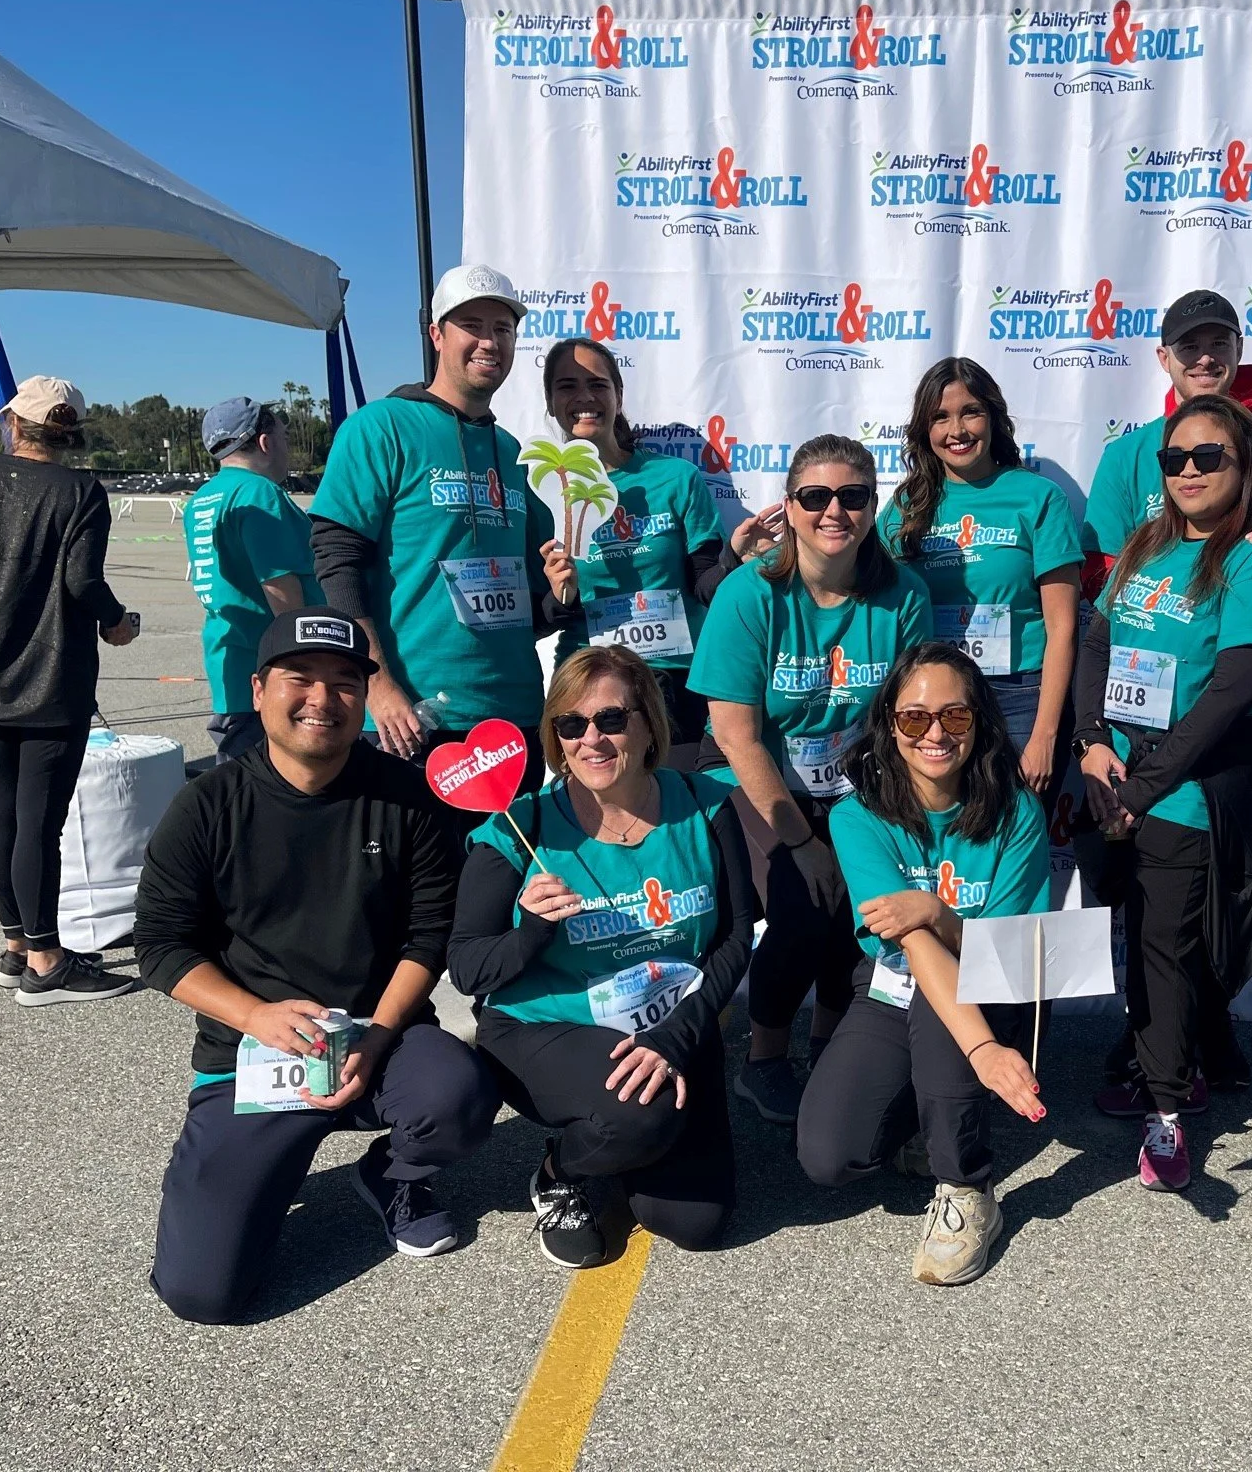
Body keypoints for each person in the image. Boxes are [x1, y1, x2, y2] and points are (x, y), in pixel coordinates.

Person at [135, 609, 498, 1324]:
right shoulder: (207, 804)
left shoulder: (407, 796)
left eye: (344, 683)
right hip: (254, 1050)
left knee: (456, 1097)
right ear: (259, 688)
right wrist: (254, 1016)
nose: (322, 700)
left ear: (365, 696)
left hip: (378, 1036)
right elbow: (161, 946)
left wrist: (380, 1033)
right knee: (203, 1294)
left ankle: (392, 1173)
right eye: (299, 679)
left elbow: (428, 937)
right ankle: (248, 1172)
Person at [448, 646, 751, 1268]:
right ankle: (563, 1170)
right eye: (571, 724)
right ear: (555, 738)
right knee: (638, 1119)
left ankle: (631, 1133)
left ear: (647, 725)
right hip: (550, 1025)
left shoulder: (705, 804)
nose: (593, 739)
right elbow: (469, 970)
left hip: (671, 1026)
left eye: (611, 719)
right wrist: (531, 929)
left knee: (695, 1222)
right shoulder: (516, 828)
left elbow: (735, 937)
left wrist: (677, 1037)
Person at [1073, 395, 1252, 1190]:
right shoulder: (1145, 546)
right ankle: (1176, 1064)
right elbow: (1097, 642)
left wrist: (1145, 785)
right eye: (1177, 458)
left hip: (1183, 795)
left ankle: (1167, 1113)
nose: (1192, 471)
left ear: (1245, 469)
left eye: (1212, 457)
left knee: (1164, 952)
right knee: (1143, 939)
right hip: (1119, 783)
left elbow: (1232, 691)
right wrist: (1093, 742)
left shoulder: (1251, 563)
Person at [688, 436, 935, 1124]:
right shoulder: (750, 591)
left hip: (859, 782)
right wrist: (799, 840)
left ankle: (832, 1043)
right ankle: (764, 1058)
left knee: (859, 905)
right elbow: (736, 733)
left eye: (852, 496)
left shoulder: (901, 596)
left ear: (872, 506)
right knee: (805, 897)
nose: (835, 511)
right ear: (790, 508)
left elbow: (904, 717)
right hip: (751, 775)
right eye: (815, 497)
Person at [798, 643, 1051, 1286]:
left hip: (991, 981)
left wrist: (936, 914)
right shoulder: (857, 816)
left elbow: (999, 950)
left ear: (980, 725)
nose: (935, 733)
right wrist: (984, 1051)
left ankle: (967, 1187)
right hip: (891, 985)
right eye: (914, 718)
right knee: (829, 1158)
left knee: (945, 1019)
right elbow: (907, 943)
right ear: (889, 726)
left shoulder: (1016, 811)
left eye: (954, 717)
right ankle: (928, 1115)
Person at [0, 376, 140, 1005]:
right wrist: (117, 622)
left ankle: (17, 943)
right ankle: (46, 959)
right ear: (69, 433)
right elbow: (81, 581)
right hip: (52, 676)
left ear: (15, 424)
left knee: (2, 810)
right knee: (40, 823)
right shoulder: (80, 492)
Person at [309, 264, 556, 779]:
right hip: (417, 721)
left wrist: (563, 593)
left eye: (503, 329)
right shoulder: (382, 427)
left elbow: (534, 599)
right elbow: (337, 560)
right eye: (473, 325)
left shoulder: (511, 452)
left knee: (510, 861)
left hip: (517, 718)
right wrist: (376, 685)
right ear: (437, 334)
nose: (489, 341)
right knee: (419, 862)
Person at [878, 357, 1082, 794]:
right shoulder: (904, 507)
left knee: (1014, 842)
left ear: (993, 418)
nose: (957, 430)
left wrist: (1045, 734)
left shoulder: (1038, 497)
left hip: (1020, 696)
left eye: (971, 411)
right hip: (930, 702)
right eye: (940, 417)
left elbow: (1063, 627)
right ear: (923, 430)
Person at [534, 338, 730, 768]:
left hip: (674, 682)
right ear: (550, 402)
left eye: (598, 385)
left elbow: (703, 581)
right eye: (567, 386)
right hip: (587, 684)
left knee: (677, 815)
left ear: (618, 394)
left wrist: (735, 560)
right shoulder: (541, 491)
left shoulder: (675, 478)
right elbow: (535, 616)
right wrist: (563, 597)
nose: (584, 397)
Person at [1081, 288, 1252, 591]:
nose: (1206, 359)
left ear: (1238, 349)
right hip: (1154, 628)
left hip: (1250, 625)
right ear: (1164, 357)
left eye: (1219, 344)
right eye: (1189, 346)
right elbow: (1098, 572)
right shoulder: (1125, 454)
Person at [185, 397, 320, 762]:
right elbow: (281, 590)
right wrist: (314, 661)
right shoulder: (258, 493)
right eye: (284, 436)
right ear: (265, 441)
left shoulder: (202, 499)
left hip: (229, 662)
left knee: (239, 784)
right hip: (271, 670)